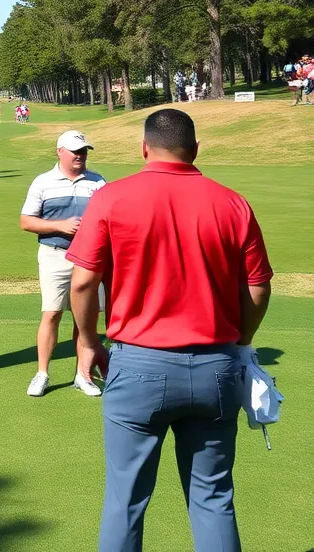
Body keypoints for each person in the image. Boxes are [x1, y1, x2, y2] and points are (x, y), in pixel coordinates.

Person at [67, 108, 273, 551]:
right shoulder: (232, 202)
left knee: (125, 501)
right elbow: (257, 287)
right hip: (217, 365)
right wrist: (242, 340)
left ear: (144, 148)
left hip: (138, 362)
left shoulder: (112, 198)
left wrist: (87, 341)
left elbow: (83, 281)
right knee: (214, 498)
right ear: (195, 149)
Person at [19, 131, 106, 398]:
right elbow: (26, 221)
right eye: (75, 151)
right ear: (60, 151)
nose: (80, 155)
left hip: (89, 260)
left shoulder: (98, 182)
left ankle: (83, 375)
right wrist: (60, 225)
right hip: (54, 254)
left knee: (86, 320)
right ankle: (42, 373)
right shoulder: (43, 182)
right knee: (52, 313)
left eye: (84, 151)